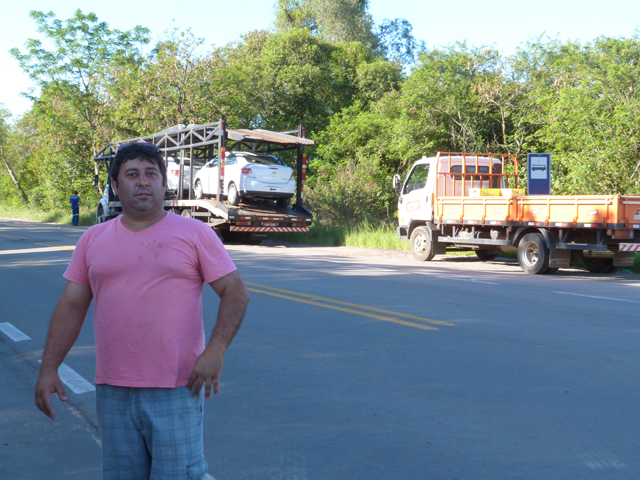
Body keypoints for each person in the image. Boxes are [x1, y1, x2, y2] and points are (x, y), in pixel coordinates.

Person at [35, 142, 249, 479]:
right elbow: (71, 306)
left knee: (180, 475)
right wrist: (49, 368)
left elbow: (235, 292)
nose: (143, 182)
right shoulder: (93, 239)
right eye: (132, 175)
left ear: (165, 183)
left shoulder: (195, 234)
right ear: (116, 186)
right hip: (112, 389)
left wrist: (215, 351)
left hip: (177, 387)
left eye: (151, 174)